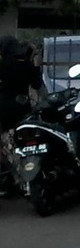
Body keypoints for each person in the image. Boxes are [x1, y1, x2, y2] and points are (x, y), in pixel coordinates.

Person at [0, 36, 45, 197]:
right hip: (23, 110)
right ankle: (25, 180)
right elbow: (37, 85)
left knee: (7, 145)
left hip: (4, 110)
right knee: (23, 144)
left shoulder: (3, 65)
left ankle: (13, 181)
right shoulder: (26, 65)